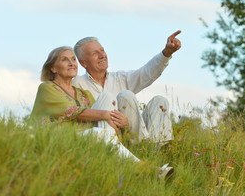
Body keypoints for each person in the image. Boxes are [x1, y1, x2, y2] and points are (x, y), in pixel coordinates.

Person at [30, 46, 174, 178]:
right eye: (64, 60)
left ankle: (119, 160)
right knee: (100, 131)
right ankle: (148, 170)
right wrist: (107, 114)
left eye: (73, 59)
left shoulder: (83, 93)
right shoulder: (47, 88)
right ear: (53, 68)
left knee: (107, 99)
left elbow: (99, 117)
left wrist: (123, 121)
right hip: (62, 140)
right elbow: (72, 112)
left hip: (88, 137)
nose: (71, 63)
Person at [73, 30, 181, 144]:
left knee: (160, 101)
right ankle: (141, 148)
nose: (102, 56)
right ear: (83, 63)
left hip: (135, 133)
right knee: (126, 95)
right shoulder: (77, 84)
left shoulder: (120, 78)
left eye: (102, 50)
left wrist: (167, 53)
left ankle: (156, 151)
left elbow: (147, 73)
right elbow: (74, 115)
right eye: (95, 53)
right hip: (108, 137)